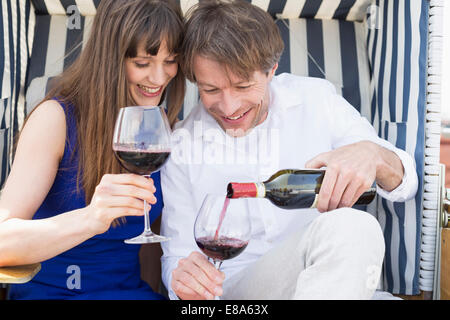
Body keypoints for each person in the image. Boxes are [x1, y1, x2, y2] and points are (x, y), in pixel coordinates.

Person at [160, 0, 418, 300]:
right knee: (354, 226)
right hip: (236, 293)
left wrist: (373, 156)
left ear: (271, 69)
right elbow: (174, 260)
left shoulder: (316, 100)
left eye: (243, 86)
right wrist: (183, 279)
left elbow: (406, 182)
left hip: (327, 281)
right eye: (211, 90)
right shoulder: (182, 145)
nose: (228, 107)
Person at [0, 0, 185, 300]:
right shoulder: (55, 119)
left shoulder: (162, 128)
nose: (159, 77)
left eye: (171, 61)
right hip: (54, 294)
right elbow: (2, 241)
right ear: (109, 58)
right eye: (142, 63)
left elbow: (150, 243)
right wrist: (90, 219)